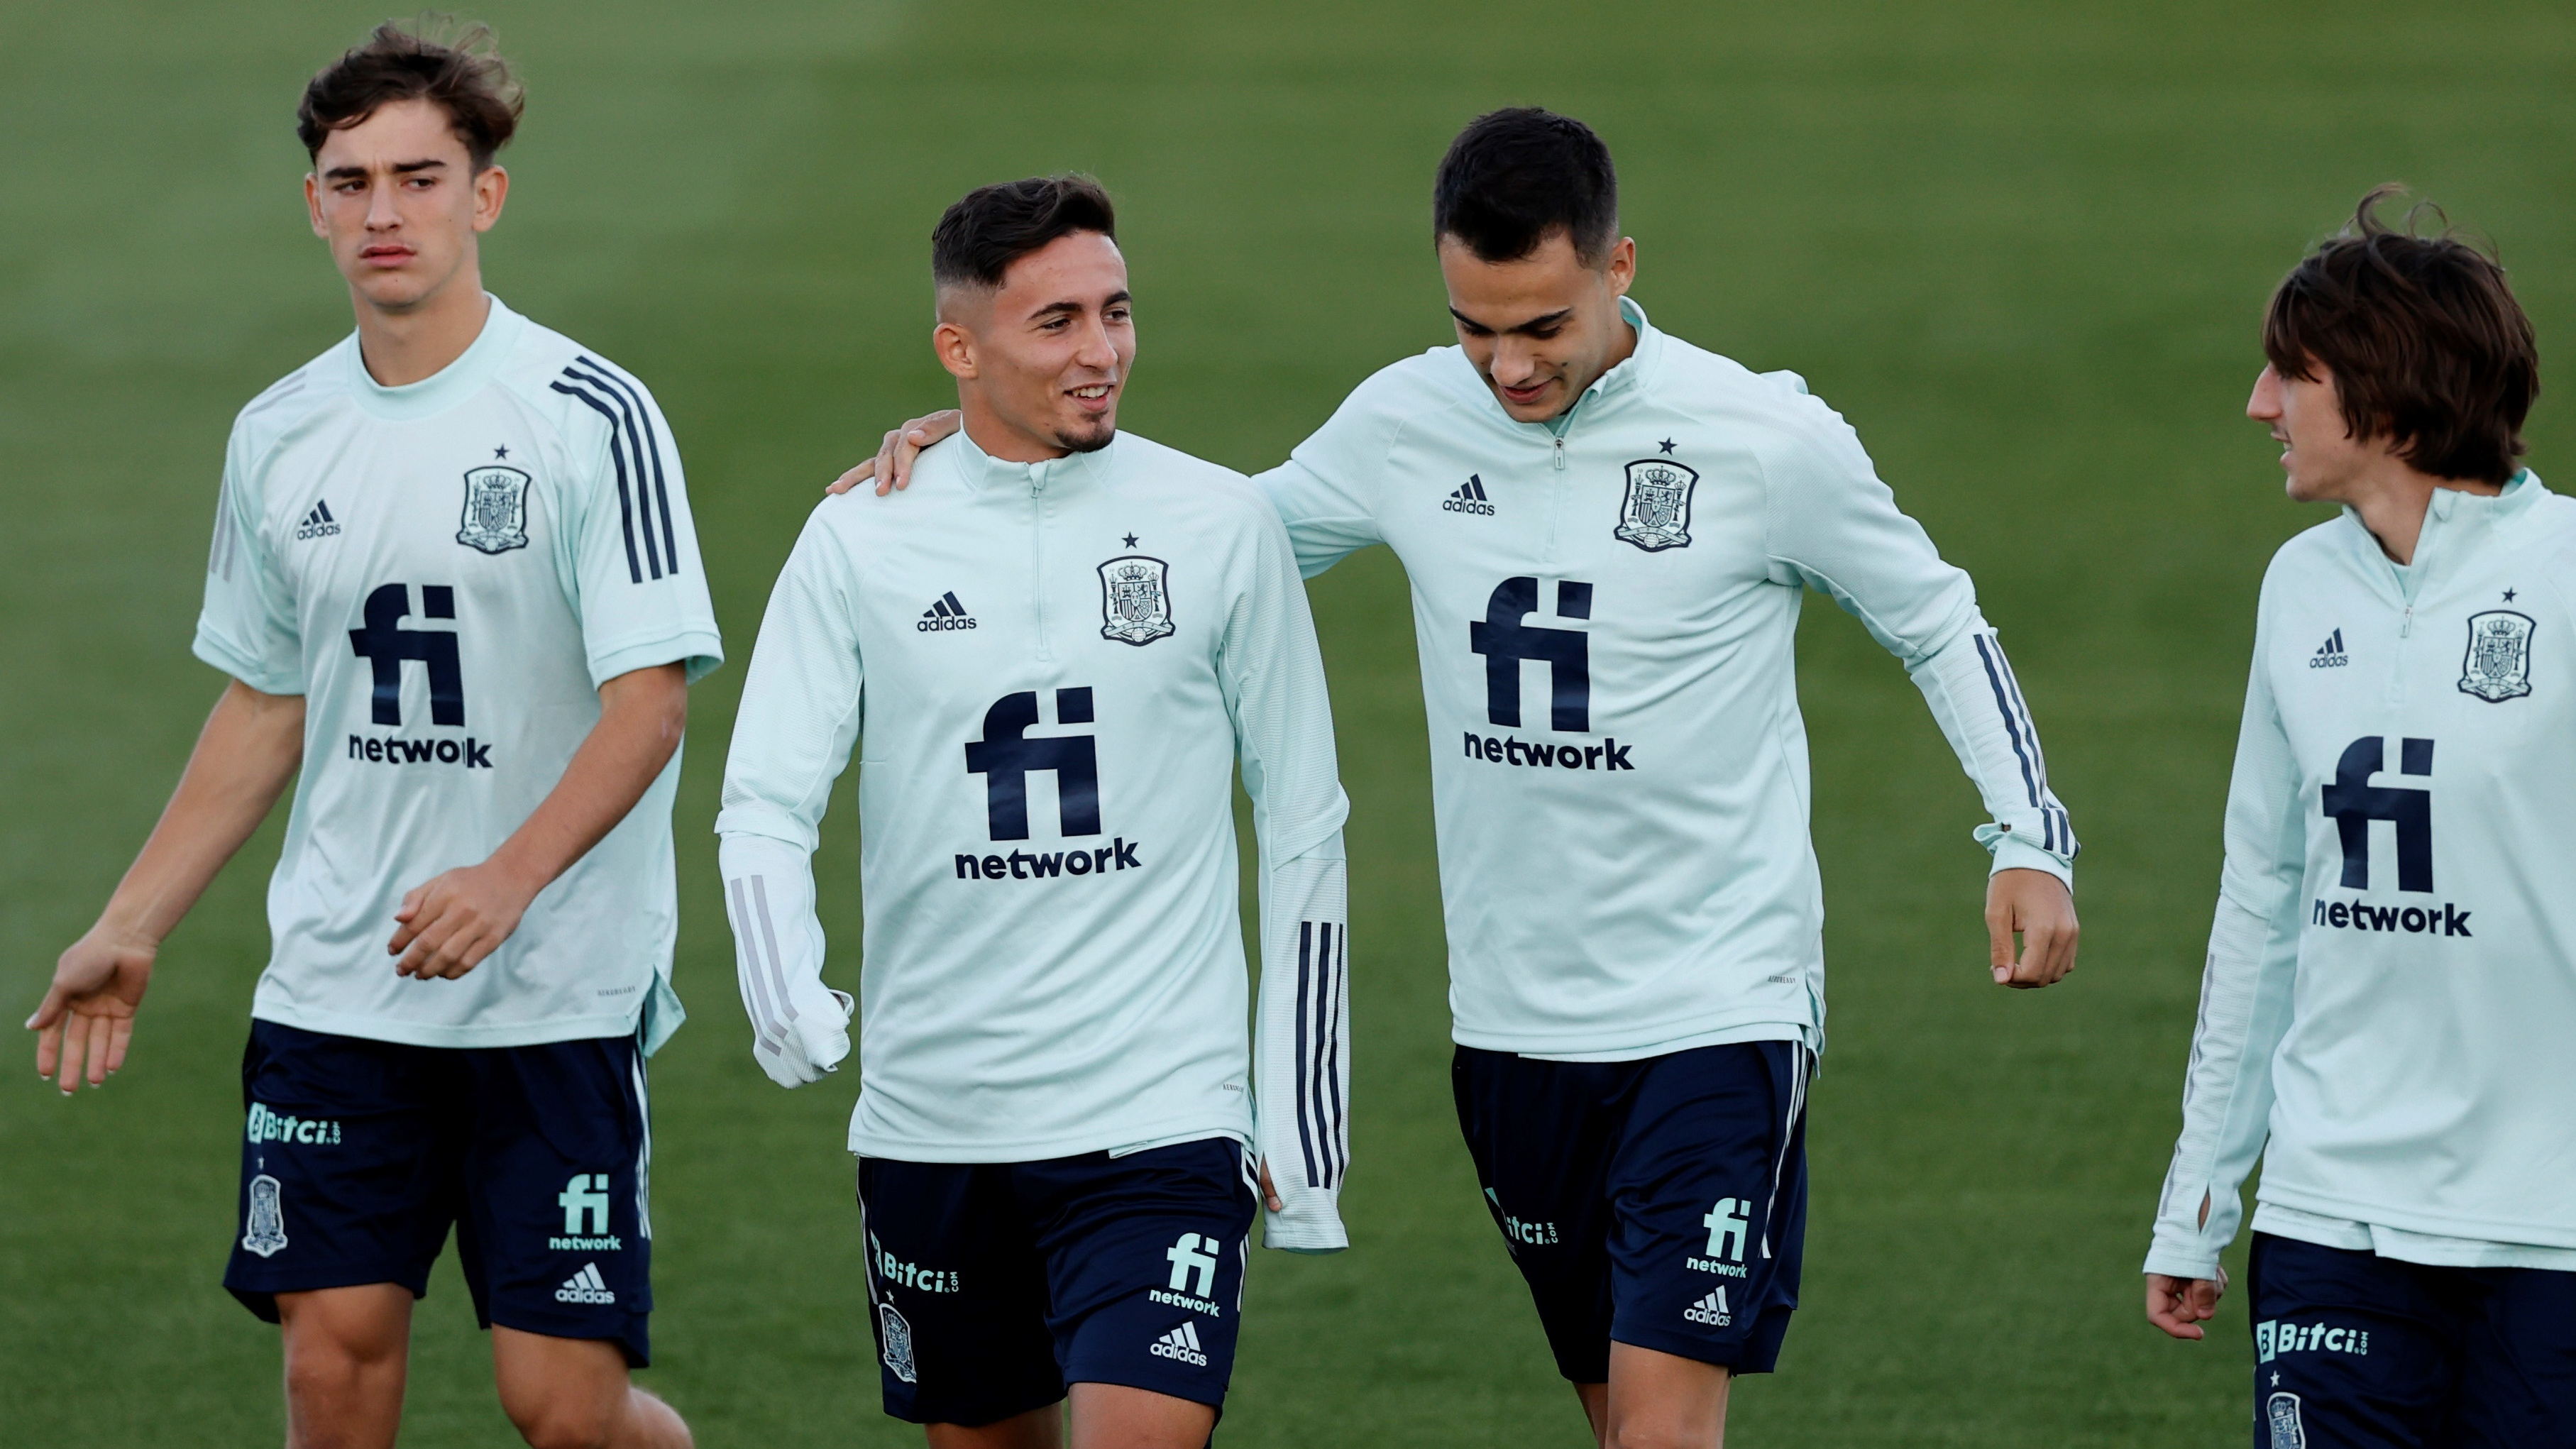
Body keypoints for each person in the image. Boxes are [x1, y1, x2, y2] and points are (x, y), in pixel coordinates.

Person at [836, 110, 2079, 1447]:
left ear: (1619, 267)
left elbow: (1935, 617)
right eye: (1474, 328)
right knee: (1618, 1420)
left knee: (1662, 1432)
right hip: (1510, 1032)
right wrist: (995, 453)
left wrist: (2027, 836)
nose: (1508, 366)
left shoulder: (1761, 438)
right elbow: (1210, 551)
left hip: (1719, 1007)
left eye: (1542, 327)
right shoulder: (1406, 420)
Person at [23, 23, 719, 1449]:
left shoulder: (590, 416)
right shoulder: (279, 433)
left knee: (564, 1412)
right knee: (331, 1376)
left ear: (486, 195)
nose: (383, 212)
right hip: (339, 987)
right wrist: (131, 923)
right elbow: (266, 698)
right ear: (314, 205)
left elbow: (651, 701)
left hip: (553, 994)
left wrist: (507, 880)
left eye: (419, 177)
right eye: (352, 183)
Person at [717, 175, 1352, 1449]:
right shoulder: (859, 538)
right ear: (958, 349)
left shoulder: (1219, 524)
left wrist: (1297, 1117)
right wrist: (783, 985)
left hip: (1159, 1113)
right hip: (935, 1123)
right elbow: (766, 796)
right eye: (1055, 322)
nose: (1101, 351)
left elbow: (1302, 819)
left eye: (1115, 312)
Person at [2144, 189, 2572, 1448]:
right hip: (2332, 1212)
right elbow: (2261, 899)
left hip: (2546, 1224)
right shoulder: (2298, 588)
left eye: (2292, 374)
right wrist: (2198, 1197)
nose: (2258, 404)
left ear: (2385, 395)